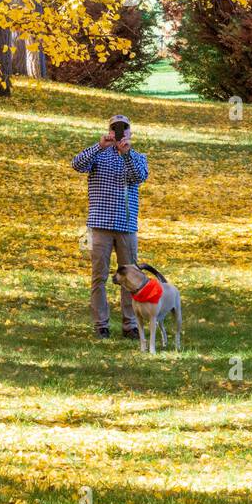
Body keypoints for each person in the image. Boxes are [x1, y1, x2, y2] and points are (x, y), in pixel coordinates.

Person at [72, 113, 148, 339]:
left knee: (131, 277)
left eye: (124, 128)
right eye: (116, 128)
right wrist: (99, 145)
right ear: (109, 130)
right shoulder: (98, 154)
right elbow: (77, 164)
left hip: (126, 226)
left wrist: (126, 155)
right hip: (100, 225)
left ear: (130, 133)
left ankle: (130, 324)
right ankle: (101, 324)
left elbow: (139, 176)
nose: (119, 132)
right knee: (99, 276)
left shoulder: (137, 157)